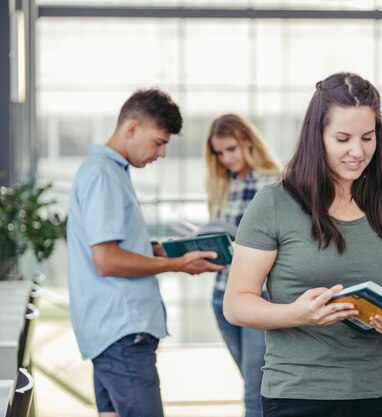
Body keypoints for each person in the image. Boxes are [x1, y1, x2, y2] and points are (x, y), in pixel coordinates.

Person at [223, 72, 382, 417]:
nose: (357, 151)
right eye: (342, 138)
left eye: (367, 138)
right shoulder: (274, 203)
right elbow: (237, 304)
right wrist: (296, 314)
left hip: (380, 393)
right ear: (318, 137)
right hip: (299, 395)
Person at [67, 88, 225, 417]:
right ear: (132, 128)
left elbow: (118, 249)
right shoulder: (102, 175)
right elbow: (107, 260)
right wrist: (176, 264)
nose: (162, 153)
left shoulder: (110, 173)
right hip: (123, 333)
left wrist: (162, 250)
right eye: (159, 141)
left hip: (112, 333)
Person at [204, 114, 282, 417]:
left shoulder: (275, 182)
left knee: (255, 389)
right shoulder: (224, 184)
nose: (226, 158)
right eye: (219, 153)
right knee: (251, 382)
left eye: (231, 149)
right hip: (222, 294)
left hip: (258, 296)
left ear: (249, 143)